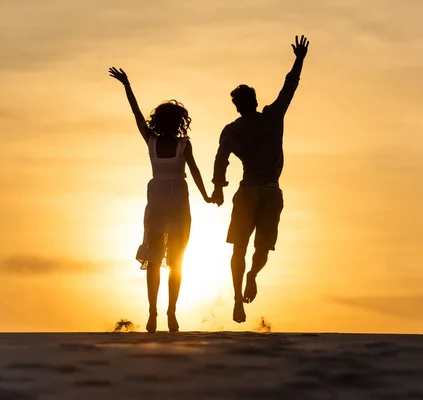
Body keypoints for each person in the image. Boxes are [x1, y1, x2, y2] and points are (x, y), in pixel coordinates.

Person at [211, 35, 310, 323]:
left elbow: (221, 158)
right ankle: (251, 278)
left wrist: (218, 187)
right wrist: (299, 59)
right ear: (253, 102)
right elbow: (288, 88)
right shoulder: (271, 118)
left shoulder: (234, 129)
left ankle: (238, 296)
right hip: (268, 191)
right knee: (260, 247)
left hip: (251, 192)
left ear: (238, 106)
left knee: (242, 247)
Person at [109, 67, 212, 333]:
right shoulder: (152, 141)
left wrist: (207, 195)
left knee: (173, 259)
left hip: (175, 203)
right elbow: (136, 115)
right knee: (158, 260)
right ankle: (156, 313)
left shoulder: (183, 144)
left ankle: (169, 312)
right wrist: (127, 85)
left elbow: (196, 171)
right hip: (161, 204)